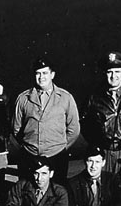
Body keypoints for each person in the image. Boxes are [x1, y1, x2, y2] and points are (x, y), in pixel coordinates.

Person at [81, 52, 121, 196]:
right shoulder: (94, 97)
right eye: (110, 72)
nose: (113, 76)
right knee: (104, 190)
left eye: (117, 72)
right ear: (105, 74)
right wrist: (98, 142)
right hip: (105, 152)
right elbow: (85, 124)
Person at [12, 57, 80, 185]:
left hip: (56, 156)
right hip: (30, 155)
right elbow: (16, 128)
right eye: (38, 73)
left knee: (57, 192)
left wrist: (59, 147)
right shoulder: (23, 98)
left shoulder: (65, 98)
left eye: (45, 73)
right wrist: (30, 145)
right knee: (27, 191)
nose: (41, 77)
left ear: (52, 75)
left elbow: (74, 129)